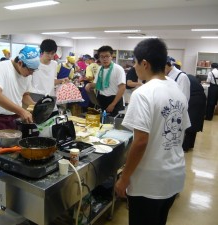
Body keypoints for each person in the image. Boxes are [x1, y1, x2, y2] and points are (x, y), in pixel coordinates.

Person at [115, 38, 191, 225]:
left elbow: (140, 141)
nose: (134, 67)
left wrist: (124, 178)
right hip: (174, 176)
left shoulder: (143, 93)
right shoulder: (176, 88)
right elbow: (183, 129)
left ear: (145, 63)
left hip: (149, 183)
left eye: (135, 62)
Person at [0, 46, 40, 137]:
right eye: (30, 70)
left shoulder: (27, 75)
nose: (31, 73)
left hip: (14, 119)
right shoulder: (3, 67)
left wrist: (35, 105)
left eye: (34, 70)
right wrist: (22, 111)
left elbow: (24, 95)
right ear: (20, 63)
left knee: (14, 148)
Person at [85, 45, 126, 116]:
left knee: (112, 123)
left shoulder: (118, 69)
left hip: (114, 99)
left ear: (112, 56)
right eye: (102, 57)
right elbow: (97, 84)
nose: (104, 59)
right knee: (102, 122)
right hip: (102, 98)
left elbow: (122, 88)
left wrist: (113, 104)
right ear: (99, 58)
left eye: (107, 56)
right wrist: (90, 85)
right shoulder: (100, 69)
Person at [31, 39, 67, 117]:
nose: (50, 56)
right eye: (48, 53)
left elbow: (52, 80)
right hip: (37, 99)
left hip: (50, 99)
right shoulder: (34, 64)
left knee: (52, 125)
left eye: (53, 53)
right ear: (42, 52)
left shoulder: (54, 64)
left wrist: (62, 80)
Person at [183, 74, 206, 151]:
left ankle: (185, 146)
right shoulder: (188, 76)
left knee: (190, 121)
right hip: (201, 98)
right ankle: (190, 145)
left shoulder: (182, 78)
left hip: (194, 99)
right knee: (195, 122)